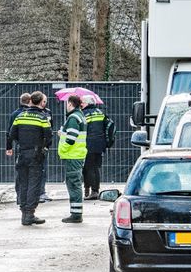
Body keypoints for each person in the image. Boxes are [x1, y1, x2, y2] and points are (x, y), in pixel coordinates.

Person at [6, 90, 52, 226]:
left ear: (31, 100)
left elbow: (11, 134)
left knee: (22, 183)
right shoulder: (42, 118)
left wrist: (18, 144)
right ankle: (29, 214)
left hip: (22, 154)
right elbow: (49, 137)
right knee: (34, 184)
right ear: (40, 102)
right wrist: (43, 147)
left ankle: (23, 213)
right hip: (36, 155)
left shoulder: (20, 116)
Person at [58, 95, 88, 223]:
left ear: (70, 104)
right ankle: (76, 213)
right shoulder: (80, 116)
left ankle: (76, 215)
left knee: (73, 184)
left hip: (72, 155)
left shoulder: (73, 118)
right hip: (78, 155)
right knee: (75, 183)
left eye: (67, 103)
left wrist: (62, 148)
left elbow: (71, 138)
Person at [82, 98, 116, 199]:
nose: (81, 104)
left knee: (88, 168)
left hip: (88, 144)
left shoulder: (84, 114)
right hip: (100, 144)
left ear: (87, 103)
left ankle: (91, 191)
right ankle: (94, 189)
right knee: (95, 168)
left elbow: (83, 129)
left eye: (82, 102)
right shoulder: (100, 113)